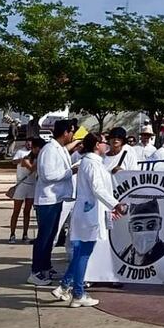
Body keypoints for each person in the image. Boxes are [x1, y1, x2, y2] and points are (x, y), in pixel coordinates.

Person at [51, 132, 126, 307]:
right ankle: (78, 293)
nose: (106, 144)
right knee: (83, 254)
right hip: (89, 215)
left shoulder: (90, 162)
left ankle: (65, 286)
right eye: (103, 142)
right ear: (96, 145)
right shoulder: (92, 164)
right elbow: (98, 189)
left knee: (80, 253)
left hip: (86, 213)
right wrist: (116, 204)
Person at [29, 120, 77, 286]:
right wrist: (70, 172)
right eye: (72, 131)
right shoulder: (49, 150)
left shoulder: (60, 149)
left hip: (56, 198)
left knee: (51, 236)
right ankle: (35, 272)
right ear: (65, 132)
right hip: (47, 200)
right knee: (44, 237)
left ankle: (45, 266)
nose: (73, 135)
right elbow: (47, 175)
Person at [9, 138, 44, 244]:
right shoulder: (23, 154)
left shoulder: (37, 156)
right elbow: (31, 168)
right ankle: (12, 234)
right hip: (21, 185)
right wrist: (25, 160)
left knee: (27, 211)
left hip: (32, 185)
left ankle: (25, 234)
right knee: (16, 210)